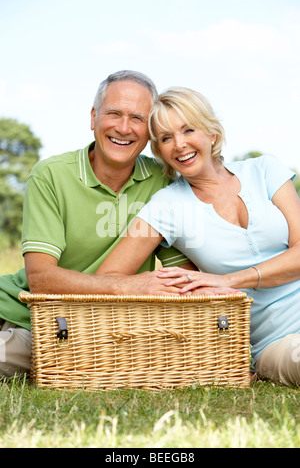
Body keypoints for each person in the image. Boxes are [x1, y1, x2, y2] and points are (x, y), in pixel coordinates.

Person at [97, 86, 300, 387]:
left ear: (211, 133)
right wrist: (183, 291)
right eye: (166, 138)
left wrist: (228, 280)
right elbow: (109, 277)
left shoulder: (264, 170)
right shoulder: (167, 206)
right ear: (159, 150)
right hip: (277, 342)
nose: (179, 144)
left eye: (188, 130)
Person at [0, 71, 195, 377]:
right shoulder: (51, 175)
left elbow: (182, 276)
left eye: (137, 118)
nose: (123, 127)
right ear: (93, 118)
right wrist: (127, 287)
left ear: (151, 131)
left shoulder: (165, 182)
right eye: (113, 113)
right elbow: (40, 278)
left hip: (95, 329)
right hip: (24, 314)